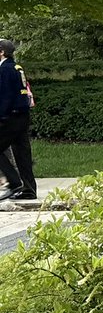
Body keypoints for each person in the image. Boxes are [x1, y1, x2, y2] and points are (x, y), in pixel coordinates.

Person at [0, 39, 36, 201]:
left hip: (11, 117)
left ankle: (14, 183)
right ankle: (29, 189)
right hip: (22, 115)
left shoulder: (5, 69)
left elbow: (5, 96)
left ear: (2, 52)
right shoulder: (16, 67)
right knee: (22, 153)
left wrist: (1, 116)